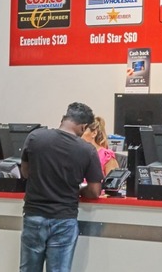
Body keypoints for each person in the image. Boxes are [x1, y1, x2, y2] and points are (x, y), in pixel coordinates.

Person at [20, 102, 103, 272]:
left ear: (64, 118)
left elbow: (26, 172)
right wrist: (79, 190)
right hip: (64, 219)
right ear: (83, 126)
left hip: (34, 215)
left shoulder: (35, 137)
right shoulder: (87, 150)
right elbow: (94, 191)